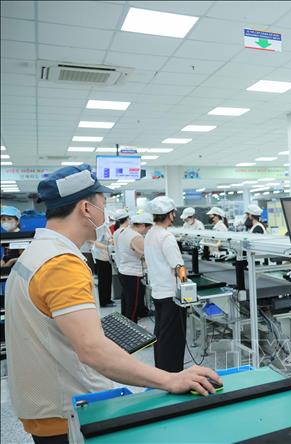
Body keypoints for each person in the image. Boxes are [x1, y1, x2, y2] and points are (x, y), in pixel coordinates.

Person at [5, 165, 220, 444]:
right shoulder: (61, 264)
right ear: (86, 208)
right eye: (103, 206)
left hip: (45, 405)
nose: (104, 215)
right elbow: (93, 351)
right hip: (68, 414)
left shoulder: (37, 252)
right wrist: (170, 379)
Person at [144, 196, 188, 372]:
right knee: (173, 338)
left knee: (162, 335)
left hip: (158, 292)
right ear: (170, 214)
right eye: (173, 213)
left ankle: (161, 370)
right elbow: (179, 267)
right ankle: (173, 374)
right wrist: (185, 285)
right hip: (171, 295)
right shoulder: (166, 237)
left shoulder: (150, 234)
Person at [117, 212, 152, 322]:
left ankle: (125, 326)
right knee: (134, 306)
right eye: (148, 229)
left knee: (127, 302)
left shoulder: (124, 232)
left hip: (124, 272)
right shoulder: (136, 237)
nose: (147, 232)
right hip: (133, 274)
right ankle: (132, 328)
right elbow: (146, 256)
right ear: (142, 225)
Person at [91, 215, 114, 307]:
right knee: (103, 280)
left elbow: (108, 239)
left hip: (106, 257)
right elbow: (95, 243)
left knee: (108, 279)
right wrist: (107, 247)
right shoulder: (100, 229)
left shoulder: (106, 228)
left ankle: (108, 299)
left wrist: (111, 241)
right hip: (101, 257)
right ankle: (103, 301)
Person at [1, 206, 23, 271]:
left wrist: (10, 262)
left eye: (9, 219)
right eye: (3, 219)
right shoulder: (7, 236)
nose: (6, 222)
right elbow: (5, 254)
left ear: (17, 221)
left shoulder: (21, 237)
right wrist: (3, 260)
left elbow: (23, 258)